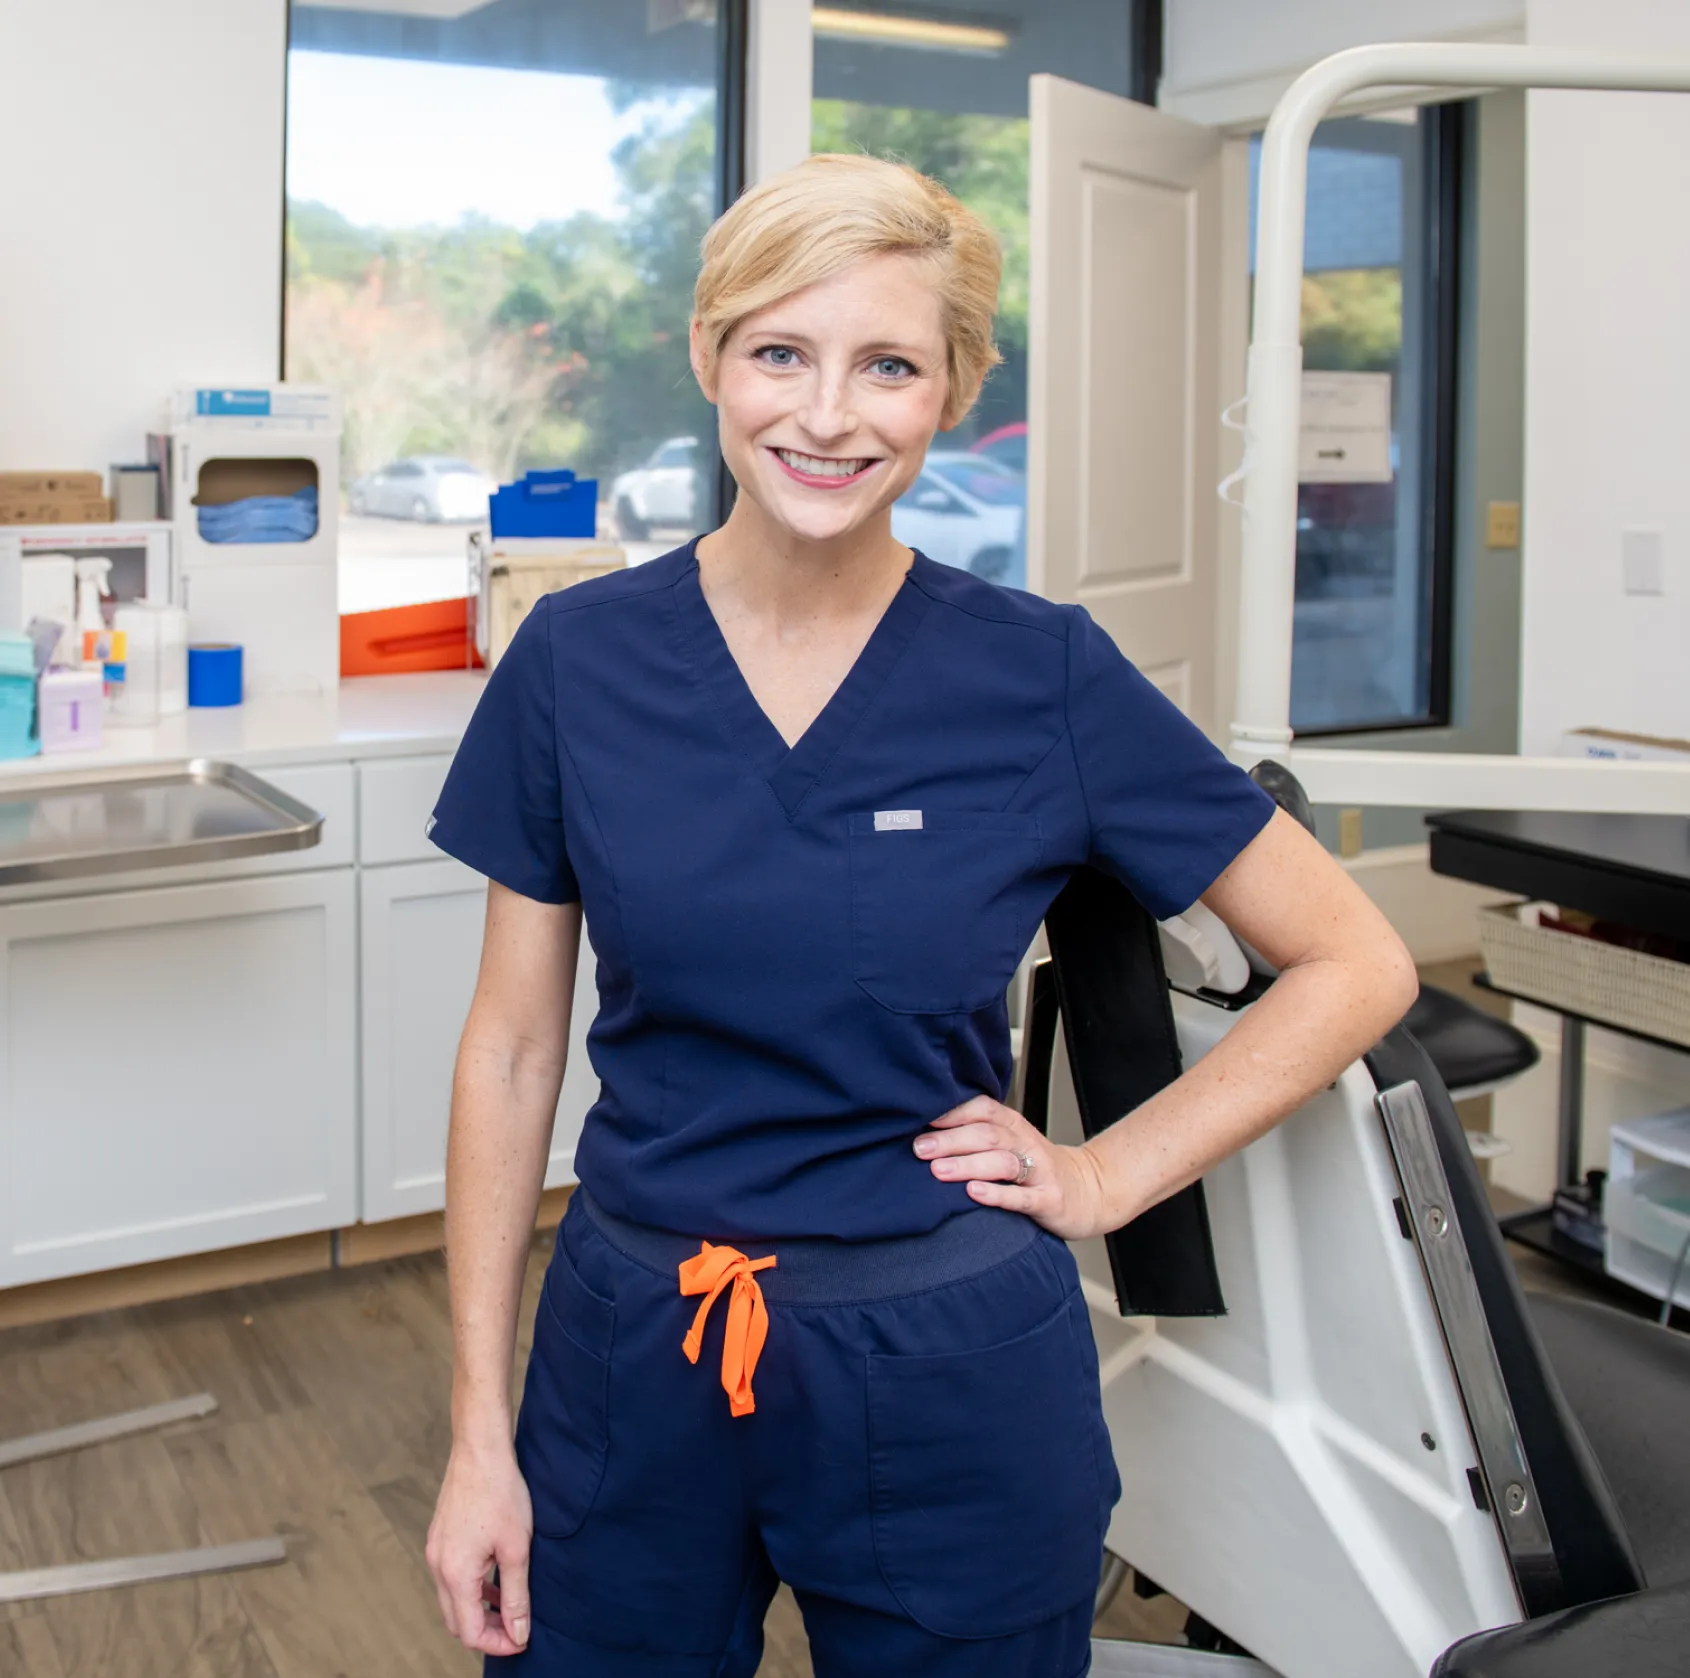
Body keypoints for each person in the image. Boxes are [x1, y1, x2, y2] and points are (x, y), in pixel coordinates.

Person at [423, 152, 1418, 1678]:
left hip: (943, 1358)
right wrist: (477, 1434)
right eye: (778, 352)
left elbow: (1352, 958)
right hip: (633, 1347)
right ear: (706, 356)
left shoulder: (1042, 677)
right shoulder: (575, 661)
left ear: (951, 390)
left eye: (887, 363)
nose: (825, 415)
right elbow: (507, 1049)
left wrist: (1102, 1175)